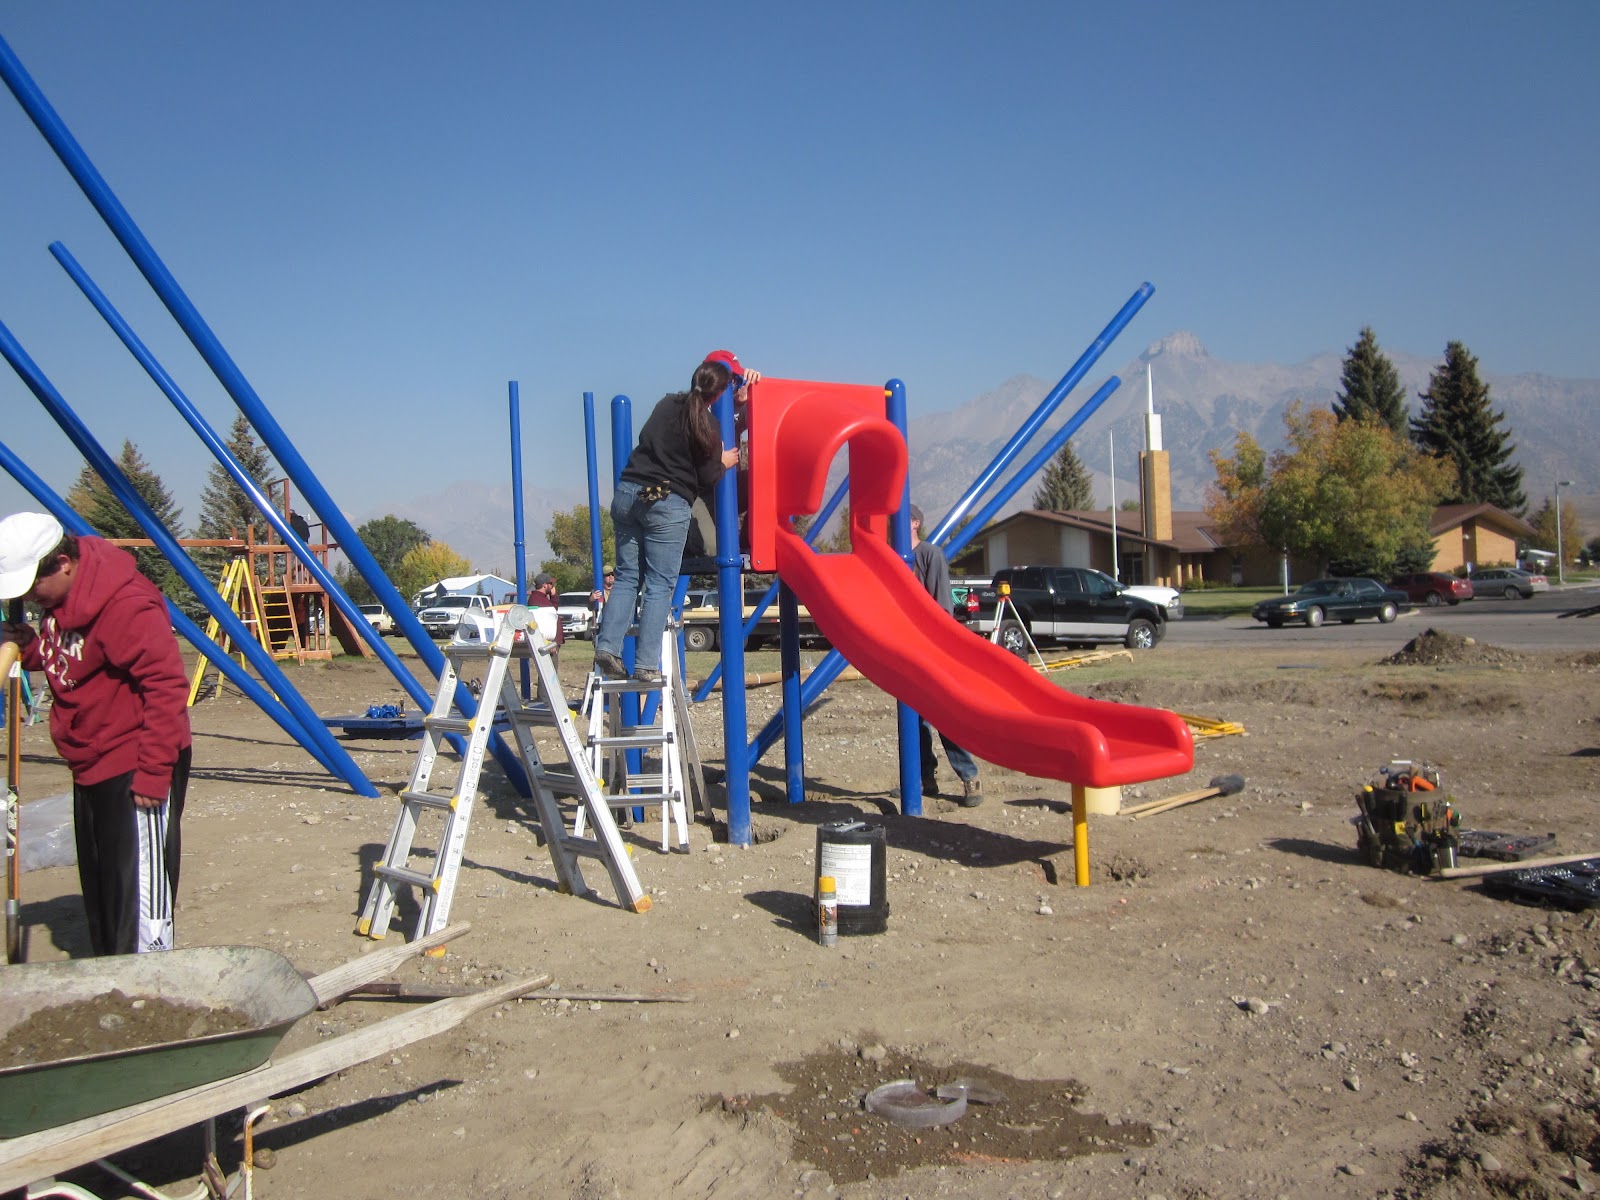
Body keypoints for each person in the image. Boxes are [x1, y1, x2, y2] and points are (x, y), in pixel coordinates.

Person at [0, 512, 192, 955]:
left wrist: (152, 772)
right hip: (90, 760)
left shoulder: (126, 604)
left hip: (136, 758)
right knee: (106, 886)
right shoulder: (58, 604)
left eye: (33, 586)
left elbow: (165, 687)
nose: (30, 597)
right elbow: (70, 656)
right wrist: (29, 646)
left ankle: (149, 988)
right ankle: (112, 972)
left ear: (63, 563)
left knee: (138, 894)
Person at [592, 350, 758, 685]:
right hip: (666, 503)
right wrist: (723, 463)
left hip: (628, 492)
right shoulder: (709, 426)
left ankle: (608, 647)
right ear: (722, 393)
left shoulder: (666, 403)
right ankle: (646, 664)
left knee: (626, 577)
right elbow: (708, 476)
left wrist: (736, 408)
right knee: (659, 584)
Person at [909, 504, 982, 807]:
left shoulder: (929, 555)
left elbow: (941, 606)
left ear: (915, 522)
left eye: (899, 519)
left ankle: (970, 777)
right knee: (913, 720)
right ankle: (924, 779)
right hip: (905, 648)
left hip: (930, 645)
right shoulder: (893, 557)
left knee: (942, 715)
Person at [529, 571, 565, 666]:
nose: (552, 586)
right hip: (547, 642)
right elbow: (552, 613)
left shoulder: (541, 598)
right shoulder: (537, 599)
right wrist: (554, 596)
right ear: (544, 585)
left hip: (550, 641)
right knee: (549, 670)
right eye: (550, 583)